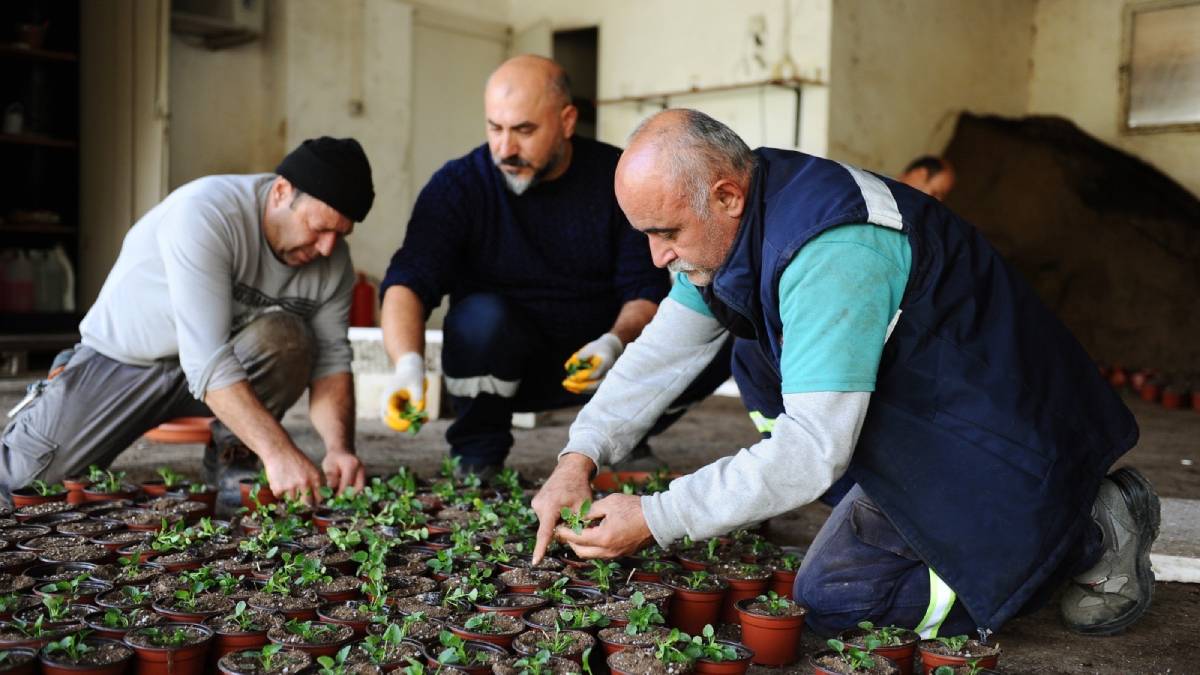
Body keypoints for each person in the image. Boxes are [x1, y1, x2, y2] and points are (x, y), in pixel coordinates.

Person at [531, 109, 1159, 640]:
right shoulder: (742, 222)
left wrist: (657, 517)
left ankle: (1092, 532)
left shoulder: (832, 252)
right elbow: (662, 352)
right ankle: (905, 513)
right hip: (924, 407)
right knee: (755, 349)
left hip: (994, 427)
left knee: (840, 601)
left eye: (666, 233)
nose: (657, 256)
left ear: (726, 195)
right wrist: (577, 457)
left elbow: (808, 450)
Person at [377, 56, 730, 479]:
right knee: (480, 318)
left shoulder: (617, 179)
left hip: (600, 364)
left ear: (566, 121)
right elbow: (407, 283)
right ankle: (477, 451)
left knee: (724, 324)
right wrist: (407, 366)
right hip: (501, 364)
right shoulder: (458, 185)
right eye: (495, 128)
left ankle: (624, 439)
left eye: (524, 131)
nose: (505, 149)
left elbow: (643, 291)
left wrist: (613, 343)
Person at [0, 137, 375, 512]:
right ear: (280, 192)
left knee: (290, 338)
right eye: (317, 227)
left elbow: (331, 362)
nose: (327, 248)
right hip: (126, 362)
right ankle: (63, 384)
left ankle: (234, 454)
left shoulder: (332, 263)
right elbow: (207, 360)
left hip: (220, 367)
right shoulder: (206, 213)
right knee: (24, 486)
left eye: (339, 234)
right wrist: (280, 453)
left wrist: (340, 449)